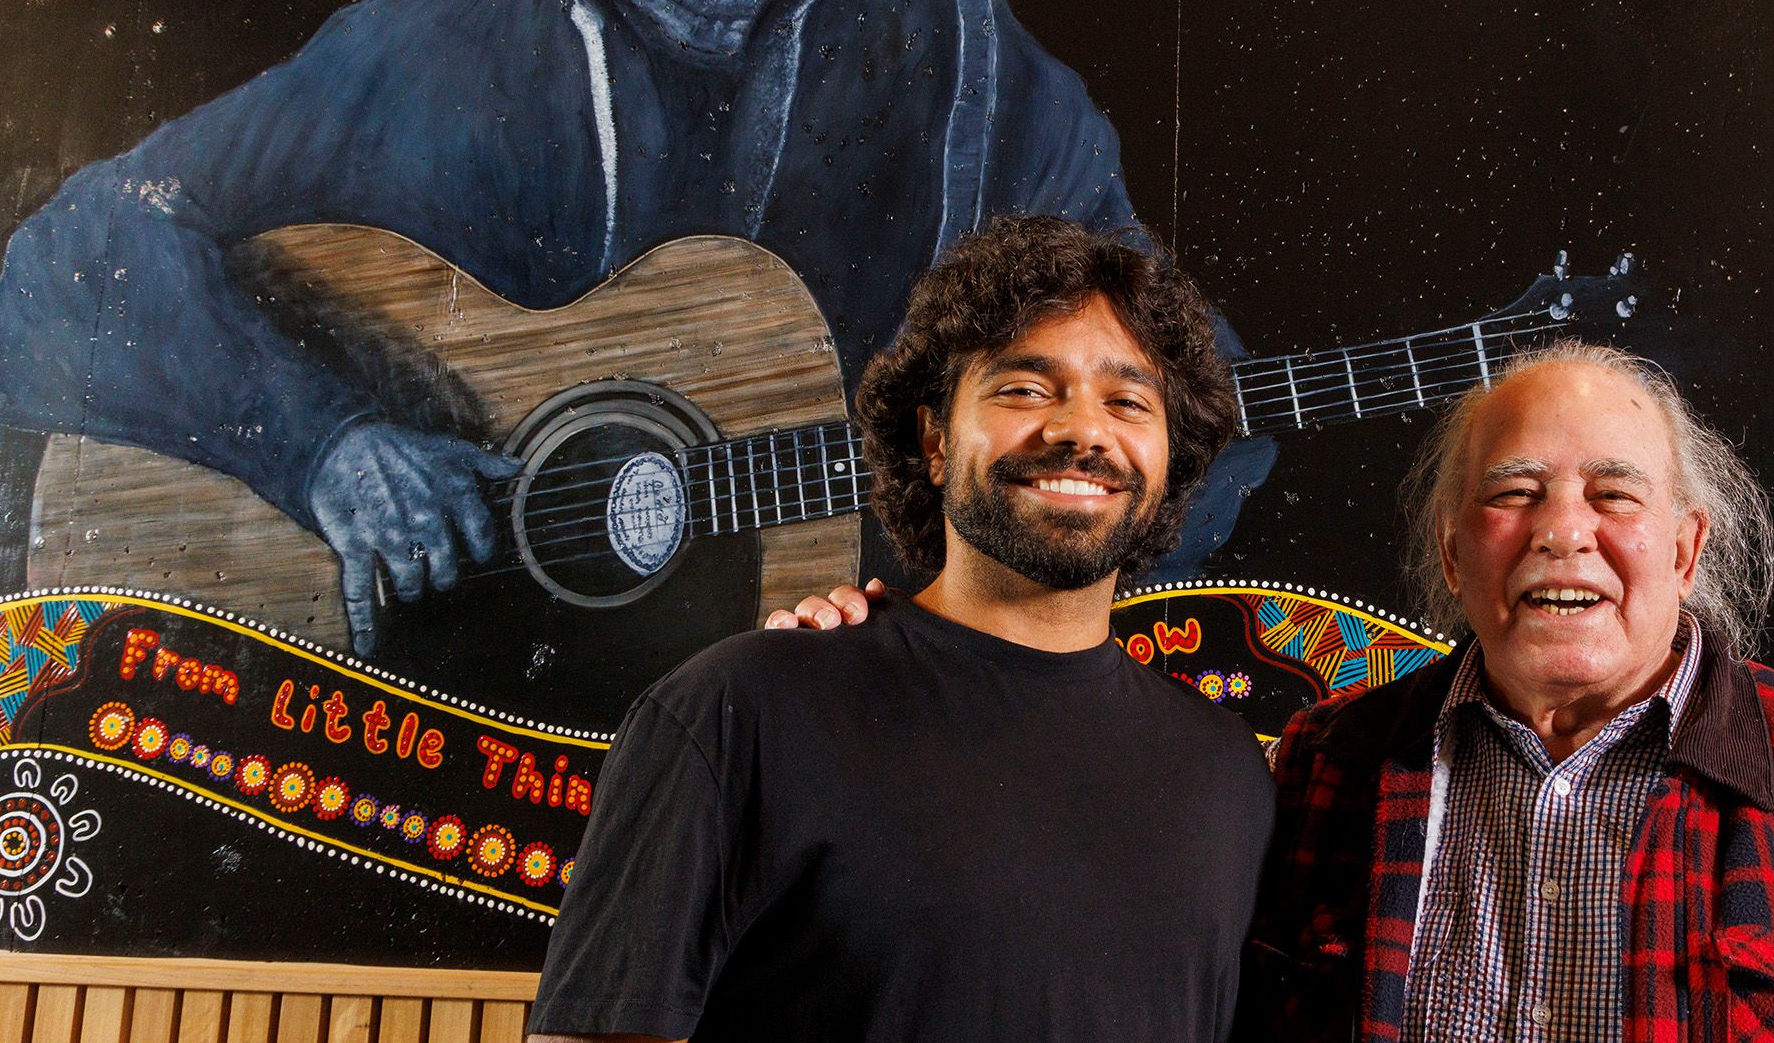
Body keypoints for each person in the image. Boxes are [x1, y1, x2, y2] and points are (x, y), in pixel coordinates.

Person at [0, 0, 1274, 656]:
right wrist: (325, 449)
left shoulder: (950, 42)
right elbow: (66, 265)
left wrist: (1025, 612)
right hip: (458, 726)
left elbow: (1167, 360)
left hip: (815, 712)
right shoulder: (430, 50)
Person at [524, 216, 1273, 1043]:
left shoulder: (1227, 772)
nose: (1081, 431)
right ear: (934, 439)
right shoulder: (739, 711)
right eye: (1025, 389)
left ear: (1172, 462)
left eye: (1128, 401)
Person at [1239, 340, 1774, 1042]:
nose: (1562, 530)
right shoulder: (1327, 765)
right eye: (1513, 492)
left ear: (1684, 552)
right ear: (1454, 556)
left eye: (1614, 494)